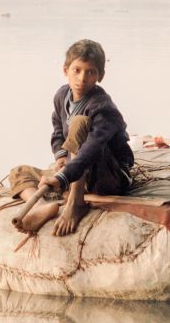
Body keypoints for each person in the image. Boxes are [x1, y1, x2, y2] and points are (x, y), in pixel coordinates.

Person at [10, 39, 134, 236]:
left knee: (78, 122)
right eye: (76, 70)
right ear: (65, 70)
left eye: (90, 72)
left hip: (106, 175)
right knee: (18, 172)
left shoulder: (103, 107)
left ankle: (76, 203)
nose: (82, 78)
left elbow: (91, 149)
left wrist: (62, 178)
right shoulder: (62, 96)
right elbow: (58, 126)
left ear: (100, 76)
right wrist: (60, 156)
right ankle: (42, 206)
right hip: (76, 167)